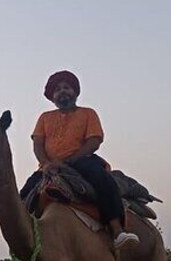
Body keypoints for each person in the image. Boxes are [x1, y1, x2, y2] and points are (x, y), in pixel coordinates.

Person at [19, 70, 139, 249]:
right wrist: (46, 164)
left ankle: (117, 231)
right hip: (48, 166)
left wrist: (70, 160)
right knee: (22, 199)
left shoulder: (88, 113)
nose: (62, 92)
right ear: (52, 97)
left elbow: (94, 140)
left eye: (66, 87)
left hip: (80, 161)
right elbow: (38, 144)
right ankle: (25, 252)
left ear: (75, 91)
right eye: (57, 89)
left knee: (103, 180)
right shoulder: (44, 118)